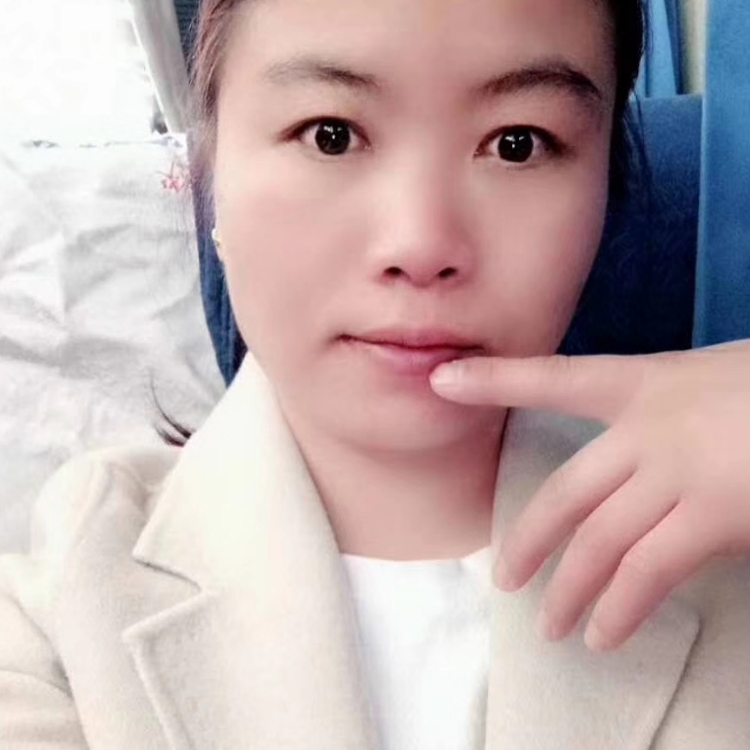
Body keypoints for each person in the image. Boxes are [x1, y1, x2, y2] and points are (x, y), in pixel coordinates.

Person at [1, 0, 750, 748]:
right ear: (210, 167)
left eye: (517, 144)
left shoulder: (728, 557)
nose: (421, 245)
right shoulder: (54, 621)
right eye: (331, 135)